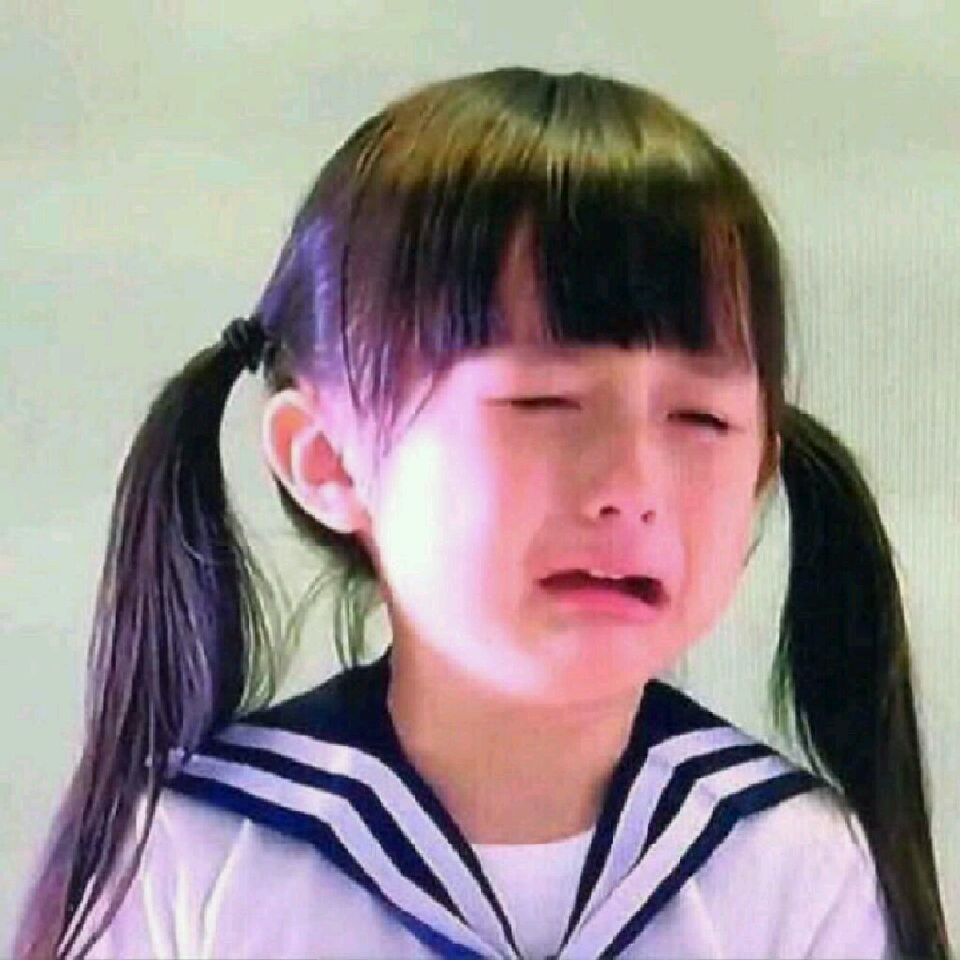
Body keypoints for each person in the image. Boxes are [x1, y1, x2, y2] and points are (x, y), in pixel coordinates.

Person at [12, 67, 951, 960]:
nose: (633, 484)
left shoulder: (798, 866)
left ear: (761, 470)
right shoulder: (181, 854)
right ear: (327, 457)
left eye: (701, 419)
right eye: (542, 404)